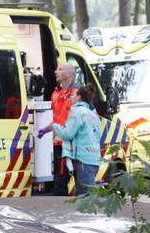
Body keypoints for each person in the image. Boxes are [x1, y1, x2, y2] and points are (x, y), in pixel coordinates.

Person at [52, 84, 103, 196]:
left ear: (79, 97)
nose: (71, 97)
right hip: (95, 158)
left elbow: (68, 133)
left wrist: (55, 126)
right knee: (87, 193)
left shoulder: (76, 112)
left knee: (85, 197)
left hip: (84, 158)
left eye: (73, 95)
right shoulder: (93, 115)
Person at [36, 63, 79, 195]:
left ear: (69, 74)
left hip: (76, 146)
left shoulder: (77, 94)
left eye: (60, 69)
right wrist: (44, 130)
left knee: (81, 183)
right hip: (59, 145)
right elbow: (57, 120)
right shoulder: (55, 95)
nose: (55, 72)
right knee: (59, 185)